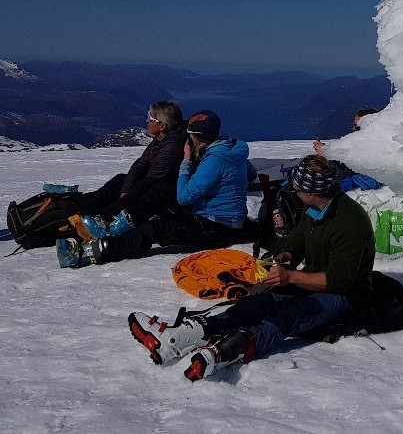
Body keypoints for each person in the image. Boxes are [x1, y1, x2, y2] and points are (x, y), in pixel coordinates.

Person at [127, 154, 376, 380]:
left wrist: (291, 277)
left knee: (290, 315)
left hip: (346, 295)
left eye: (298, 188)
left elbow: (341, 281)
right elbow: (298, 240)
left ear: (312, 192)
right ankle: (187, 336)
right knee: (258, 303)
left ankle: (232, 348)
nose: (294, 191)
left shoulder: (348, 222)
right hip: (310, 279)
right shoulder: (312, 208)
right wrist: (285, 256)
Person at [57, 109, 256, 268]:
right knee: (160, 190)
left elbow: (184, 197)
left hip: (215, 226)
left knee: (155, 229)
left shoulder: (214, 160)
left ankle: (90, 253)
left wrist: (186, 162)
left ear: (197, 136)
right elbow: (250, 174)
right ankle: (111, 227)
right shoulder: (231, 150)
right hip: (216, 215)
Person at [69, 101, 187, 235]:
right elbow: (139, 165)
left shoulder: (174, 145)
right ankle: (83, 207)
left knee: (141, 191)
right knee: (121, 180)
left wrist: (125, 198)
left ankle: (101, 220)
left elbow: (153, 178)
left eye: (150, 118)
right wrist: (125, 189)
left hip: (166, 193)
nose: (146, 121)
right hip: (153, 183)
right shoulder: (162, 139)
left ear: (162, 126)